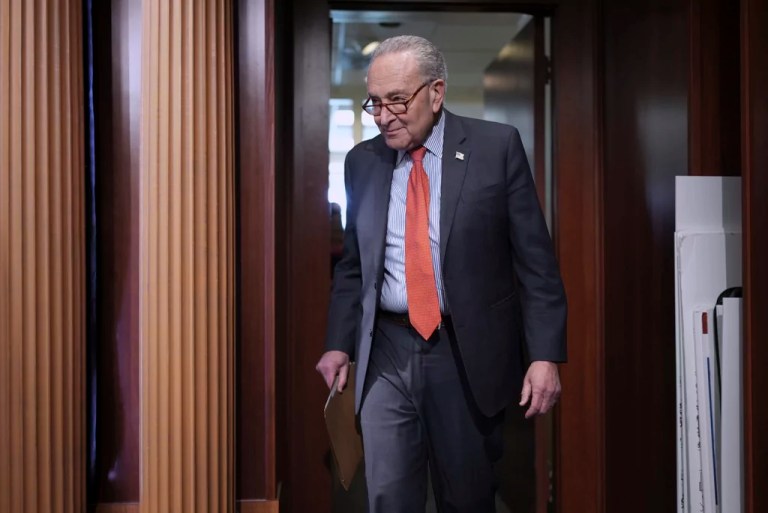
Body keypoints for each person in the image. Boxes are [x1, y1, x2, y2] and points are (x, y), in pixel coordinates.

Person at [316, 35, 567, 513]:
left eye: (397, 100)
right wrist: (338, 343)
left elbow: (535, 263)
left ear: (436, 92)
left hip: (464, 351)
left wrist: (545, 355)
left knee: (467, 496)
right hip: (386, 351)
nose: (384, 115)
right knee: (388, 495)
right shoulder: (362, 163)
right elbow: (353, 267)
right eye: (375, 102)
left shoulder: (496, 148)